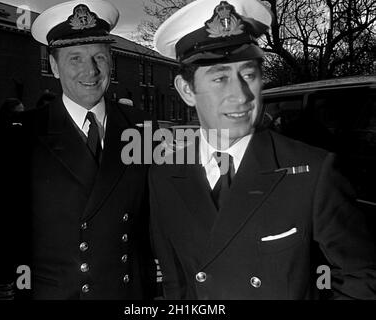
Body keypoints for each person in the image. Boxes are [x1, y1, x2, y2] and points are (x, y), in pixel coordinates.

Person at [149, 0, 376, 299]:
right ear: (186, 90)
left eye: (249, 75)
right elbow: (175, 281)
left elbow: (362, 279)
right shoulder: (165, 173)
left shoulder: (312, 172)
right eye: (220, 79)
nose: (240, 95)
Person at [0, 0, 155, 300]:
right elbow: (3, 225)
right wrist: (4, 288)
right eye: (75, 58)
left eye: (99, 57)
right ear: (53, 65)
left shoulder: (141, 128)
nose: (90, 70)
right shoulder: (21, 134)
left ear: (111, 60)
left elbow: (155, 217)